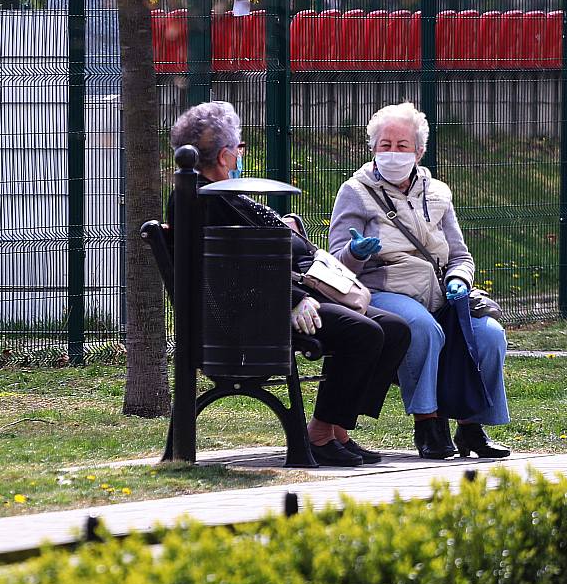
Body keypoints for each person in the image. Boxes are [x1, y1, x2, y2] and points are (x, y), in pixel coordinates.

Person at [169, 101, 410, 466]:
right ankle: (318, 435)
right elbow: (233, 271)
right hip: (257, 313)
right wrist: (293, 299)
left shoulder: (220, 194)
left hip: (273, 298)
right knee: (365, 333)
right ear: (223, 156)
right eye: (238, 148)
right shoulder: (204, 201)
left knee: (393, 328)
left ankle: (335, 429)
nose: (240, 155)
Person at [328, 101, 511, 460]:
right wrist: (357, 252)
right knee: (422, 327)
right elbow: (335, 265)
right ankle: (429, 423)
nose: (393, 154)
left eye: (402, 146)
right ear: (373, 149)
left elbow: (460, 255)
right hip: (383, 291)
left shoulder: (439, 192)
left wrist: (459, 277)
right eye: (385, 145)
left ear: (419, 151)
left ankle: (471, 427)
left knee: (489, 333)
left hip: (439, 294)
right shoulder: (355, 191)